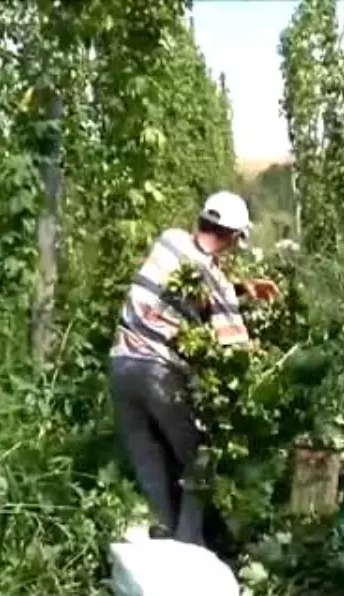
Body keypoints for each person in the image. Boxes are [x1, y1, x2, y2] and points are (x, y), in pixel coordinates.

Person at [108, 191, 278, 550]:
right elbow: (234, 346)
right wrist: (261, 353)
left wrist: (242, 289)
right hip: (160, 374)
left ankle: (163, 540)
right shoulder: (214, 279)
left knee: (148, 459)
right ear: (233, 236)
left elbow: (180, 285)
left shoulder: (169, 240)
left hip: (121, 364)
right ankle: (190, 546)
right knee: (199, 460)